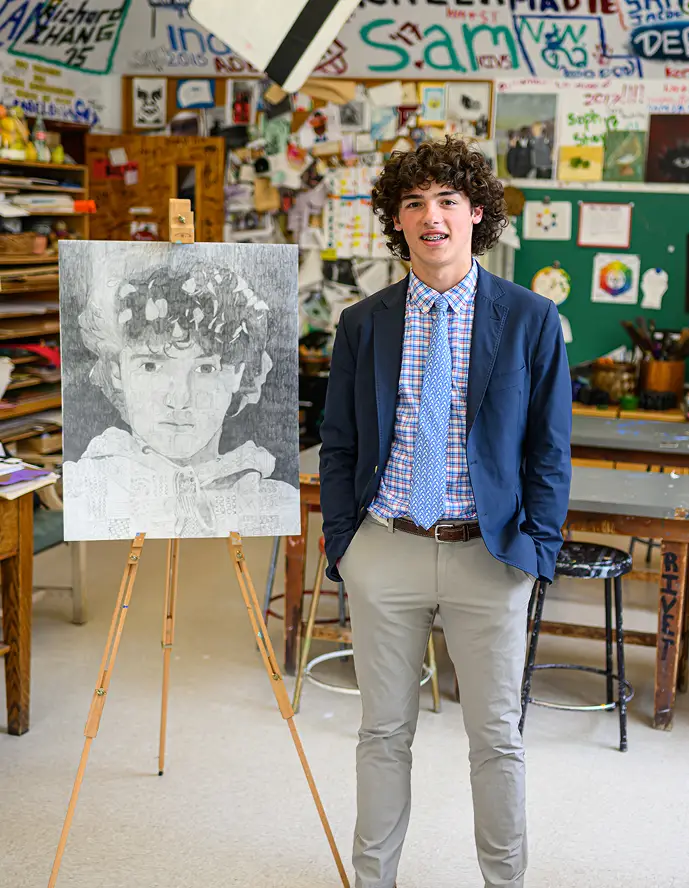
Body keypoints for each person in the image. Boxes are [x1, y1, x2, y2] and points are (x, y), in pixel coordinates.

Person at [319, 136, 572, 888]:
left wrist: (537, 554)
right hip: (386, 547)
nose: (431, 216)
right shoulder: (363, 323)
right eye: (414, 202)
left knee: (495, 738)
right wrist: (346, 547)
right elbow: (337, 441)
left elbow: (549, 453)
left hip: (488, 555)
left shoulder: (531, 320)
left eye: (448, 201)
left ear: (478, 214)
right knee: (382, 733)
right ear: (396, 221)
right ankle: (374, 881)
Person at [63, 263, 300, 540]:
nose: (179, 399)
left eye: (205, 369)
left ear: (238, 373)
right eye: (151, 366)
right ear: (117, 370)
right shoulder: (82, 490)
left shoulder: (276, 503)